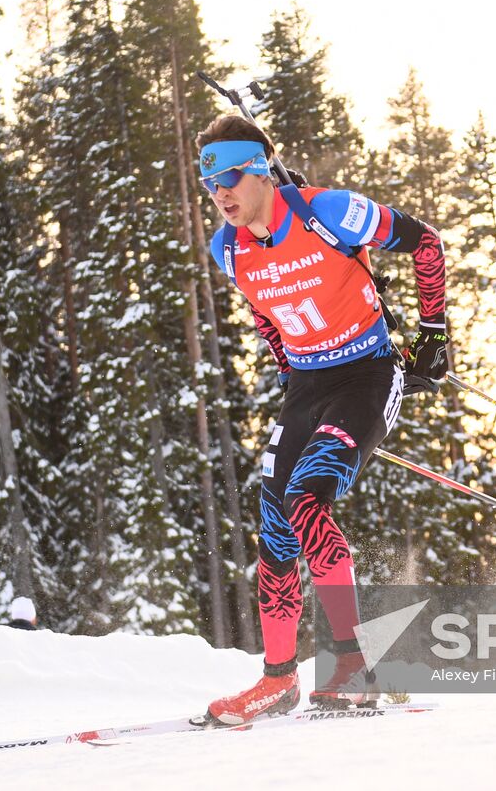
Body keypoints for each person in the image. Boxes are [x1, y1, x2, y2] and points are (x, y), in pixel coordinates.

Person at [196, 114, 450, 725]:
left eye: (230, 175)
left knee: (307, 499)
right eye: (210, 184)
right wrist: (287, 364)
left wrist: (433, 334)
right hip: (308, 384)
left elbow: (427, 241)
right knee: (275, 520)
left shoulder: (328, 211)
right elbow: (265, 311)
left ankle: (353, 666)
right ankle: (278, 681)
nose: (221, 193)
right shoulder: (226, 247)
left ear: (259, 167)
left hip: (367, 372)